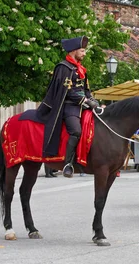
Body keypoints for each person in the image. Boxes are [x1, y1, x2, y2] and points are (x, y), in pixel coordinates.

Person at [36, 35, 100, 178]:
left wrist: (94, 101)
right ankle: (68, 164)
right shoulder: (63, 68)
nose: (84, 54)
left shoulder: (81, 69)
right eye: (82, 51)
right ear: (74, 51)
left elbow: (86, 90)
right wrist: (86, 101)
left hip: (83, 106)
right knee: (76, 131)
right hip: (69, 107)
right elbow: (68, 91)